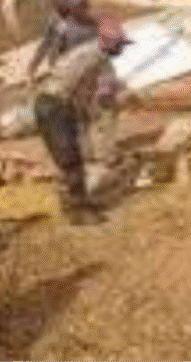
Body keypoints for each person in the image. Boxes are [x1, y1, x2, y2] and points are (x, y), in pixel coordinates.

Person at [33, 16, 134, 225]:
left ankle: (82, 202)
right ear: (108, 42)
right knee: (70, 160)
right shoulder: (90, 56)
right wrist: (117, 97)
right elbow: (100, 95)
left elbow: (95, 91)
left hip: (61, 105)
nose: (122, 49)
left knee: (75, 156)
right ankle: (76, 211)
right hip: (53, 105)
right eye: (120, 45)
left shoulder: (98, 57)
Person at [27, 0, 99, 80]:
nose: (82, 9)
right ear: (71, 8)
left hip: (86, 64)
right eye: (78, 6)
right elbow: (45, 46)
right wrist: (33, 67)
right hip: (64, 65)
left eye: (83, 5)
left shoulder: (94, 25)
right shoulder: (59, 25)